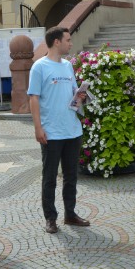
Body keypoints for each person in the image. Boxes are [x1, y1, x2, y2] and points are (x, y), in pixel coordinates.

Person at [28, 26, 91, 234]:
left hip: (72, 130)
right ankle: (50, 218)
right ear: (56, 42)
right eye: (68, 40)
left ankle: (70, 214)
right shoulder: (39, 67)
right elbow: (33, 98)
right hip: (51, 132)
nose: (70, 43)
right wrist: (38, 127)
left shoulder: (67, 66)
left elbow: (73, 92)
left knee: (71, 176)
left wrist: (80, 96)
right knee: (49, 178)